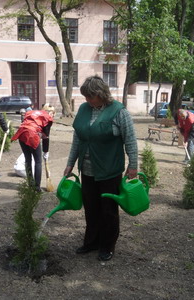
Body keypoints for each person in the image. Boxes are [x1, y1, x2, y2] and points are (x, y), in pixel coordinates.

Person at [63, 75, 138, 262]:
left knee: (108, 211)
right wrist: (70, 163)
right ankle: (92, 242)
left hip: (109, 170)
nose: (87, 100)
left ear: (100, 94)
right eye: (85, 97)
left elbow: (130, 140)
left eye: (90, 96)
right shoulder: (83, 109)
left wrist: (133, 165)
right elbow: (78, 139)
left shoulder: (119, 112)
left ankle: (107, 246)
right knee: (91, 208)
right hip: (87, 169)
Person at [11, 106, 53, 192]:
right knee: (38, 161)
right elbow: (46, 137)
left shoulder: (33, 113)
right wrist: (46, 152)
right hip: (32, 134)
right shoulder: (48, 118)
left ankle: (30, 184)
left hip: (21, 133)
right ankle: (37, 187)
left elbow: (24, 122)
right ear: (51, 113)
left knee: (28, 159)